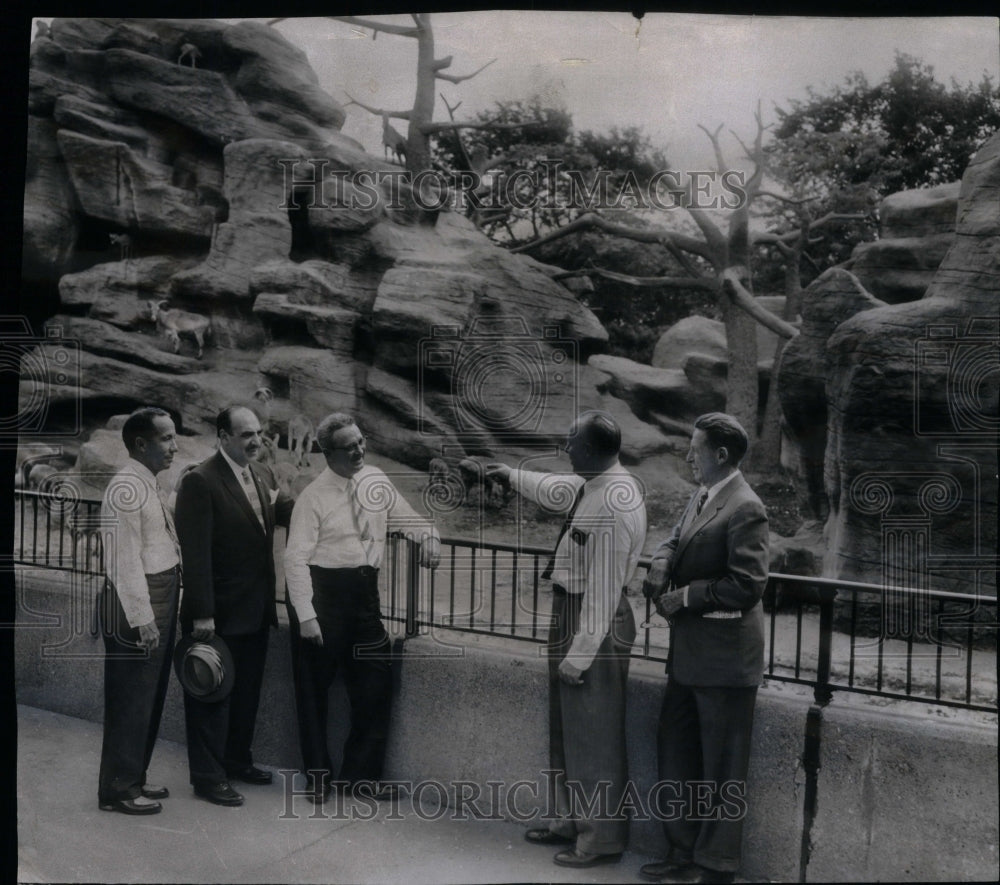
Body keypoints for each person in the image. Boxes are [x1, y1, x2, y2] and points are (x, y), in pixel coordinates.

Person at [487, 410, 646, 869]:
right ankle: (568, 820)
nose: (565, 448)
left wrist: (580, 656)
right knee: (567, 728)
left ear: (593, 450)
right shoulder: (592, 484)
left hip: (592, 620)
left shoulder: (615, 502)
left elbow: (604, 587)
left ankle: (600, 839)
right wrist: (510, 474)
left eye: (571, 442)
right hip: (571, 611)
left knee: (593, 734)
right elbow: (555, 490)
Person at [639, 413, 770, 885]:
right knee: (677, 753)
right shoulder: (705, 494)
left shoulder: (745, 506)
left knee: (720, 768)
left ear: (719, 455)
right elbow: (675, 539)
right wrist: (660, 562)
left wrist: (686, 595)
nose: (687, 455)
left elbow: (748, 585)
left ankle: (714, 867)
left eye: (694, 448)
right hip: (691, 657)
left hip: (725, 662)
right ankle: (681, 852)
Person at [284, 413, 441, 803]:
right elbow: (294, 559)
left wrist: (430, 537)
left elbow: (410, 520)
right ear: (327, 452)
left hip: (365, 597)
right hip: (324, 596)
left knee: (375, 687)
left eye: (360, 441)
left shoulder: (376, 481)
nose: (359, 450)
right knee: (313, 691)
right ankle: (318, 776)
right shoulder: (313, 497)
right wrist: (306, 615)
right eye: (348, 446)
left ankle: (360, 777)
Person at [174, 405, 294, 806]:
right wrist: (202, 611)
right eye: (246, 434)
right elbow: (196, 555)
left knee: (245, 693)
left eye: (258, 433)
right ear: (223, 437)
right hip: (219, 613)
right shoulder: (200, 481)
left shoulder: (261, 473)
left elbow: (277, 514)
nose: (256, 440)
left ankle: (237, 760)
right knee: (211, 695)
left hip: (256, 610)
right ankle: (208, 777)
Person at [98, 407, 180, 815]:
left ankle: (134, 777)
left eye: (174, 437)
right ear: (140, 444)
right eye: (166, 439)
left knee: (148, 695)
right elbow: (123, 560)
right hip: (138, 603)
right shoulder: (125, 487)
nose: (174, 446)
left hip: (158, 596)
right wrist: (143, 618)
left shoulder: (147, 482)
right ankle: (120, 791)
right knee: (131, 698)